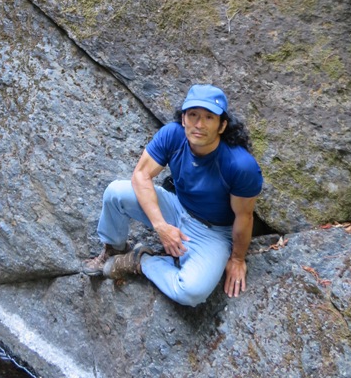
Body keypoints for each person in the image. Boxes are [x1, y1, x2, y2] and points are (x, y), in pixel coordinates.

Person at [82, 84, 263, 306]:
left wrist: (237, 258)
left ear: (222, 125)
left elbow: (244, 217)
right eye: (193, 115)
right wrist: (161, 227)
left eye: (209, 117)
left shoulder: (240, 166)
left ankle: (140, 260)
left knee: (191, 292)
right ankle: (113, 249)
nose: (199, 124)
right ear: (183, 118)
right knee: (116, 192)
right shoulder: (173, 135)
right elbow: (141, 175)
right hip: (177, 207)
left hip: (212, 232)